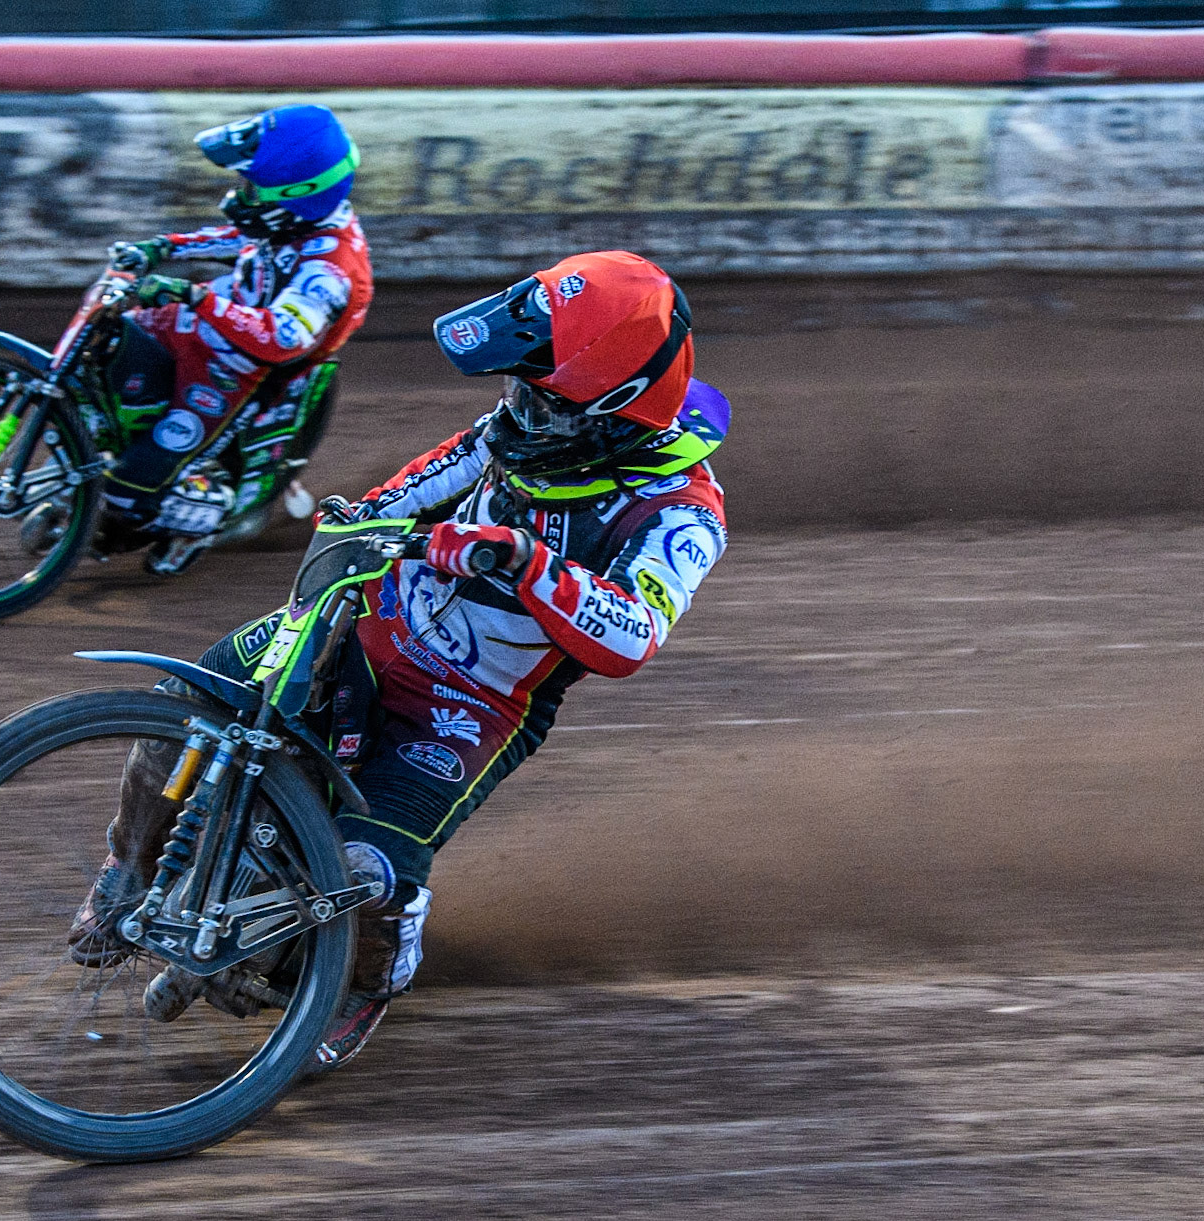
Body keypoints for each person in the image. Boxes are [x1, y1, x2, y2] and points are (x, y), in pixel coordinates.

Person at [72, 250, 729, 1068]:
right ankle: (127, 867)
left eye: (542, 401)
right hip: (364, 624)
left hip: (474, 701)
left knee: (368, 866)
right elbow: (393, 496)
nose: (516, 412)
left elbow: (632, 635)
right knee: (181, 705)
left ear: (608, 415)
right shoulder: (512, 434)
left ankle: (365, 981)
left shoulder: (681, 514)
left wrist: (524, 561)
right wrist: (360, 525)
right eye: (517, 389)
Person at [100, 103, 374, 574]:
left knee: (132, 483)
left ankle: (192, 522)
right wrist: (163, 248)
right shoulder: (297, 221)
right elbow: (239, 239)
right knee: (108, 342)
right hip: (207, 327)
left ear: (295, 195)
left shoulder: (330, 272)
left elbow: (281, 337)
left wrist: (194, 295)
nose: (241, 195)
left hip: (243, 369)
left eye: (253, 188)